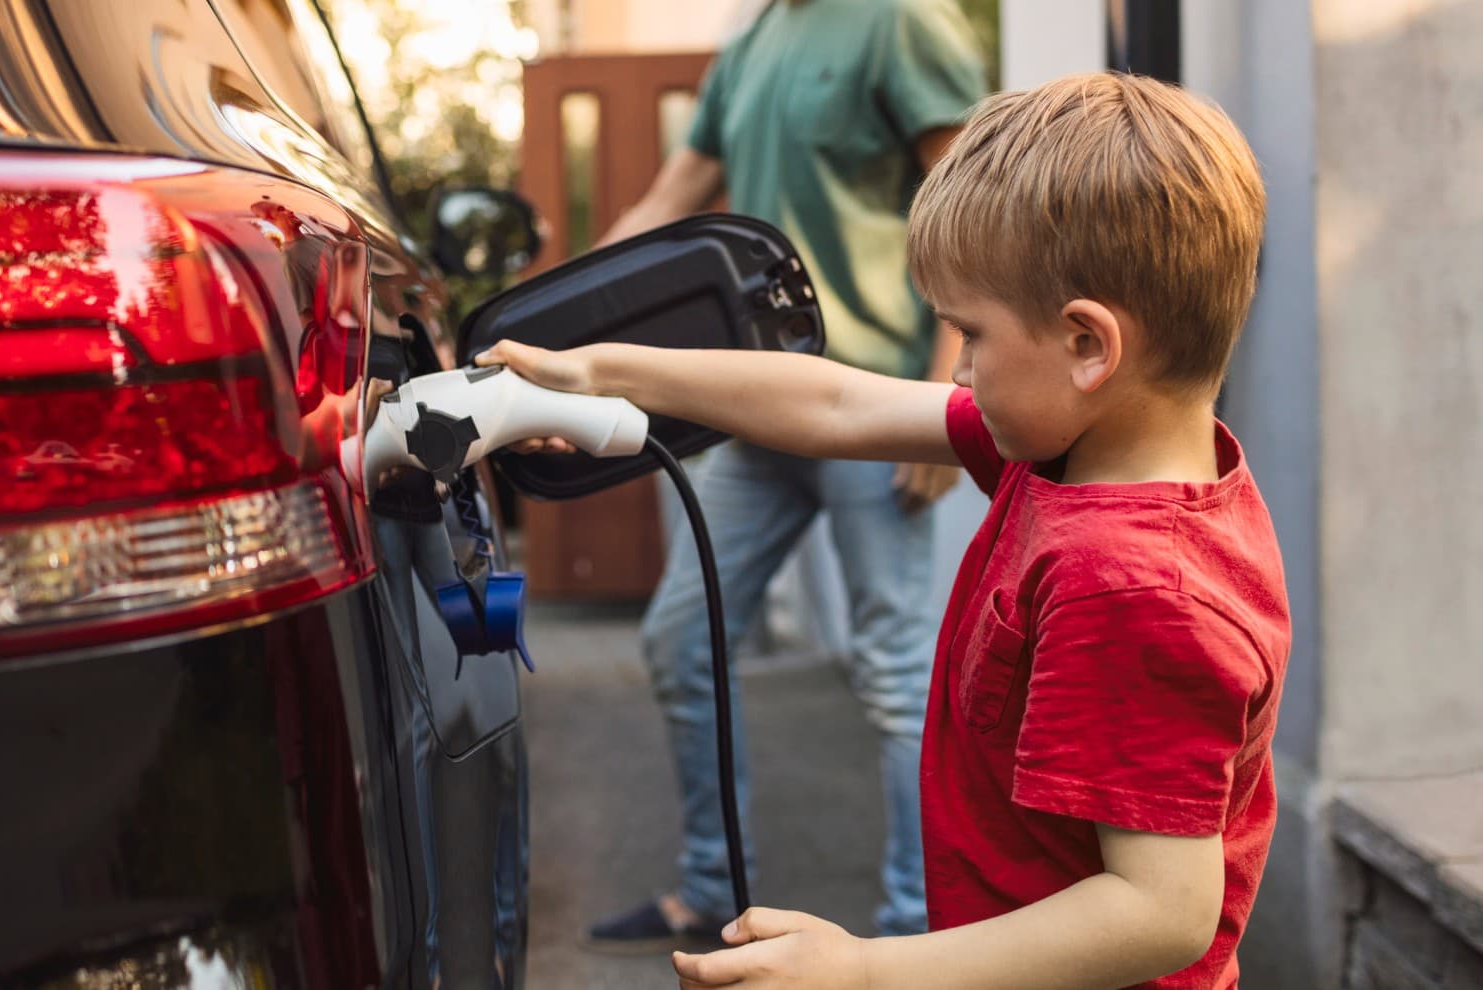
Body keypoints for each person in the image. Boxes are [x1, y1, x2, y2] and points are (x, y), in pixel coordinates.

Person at [484, 70, 1289, 989]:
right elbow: (837, 403)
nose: (961, 370)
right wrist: (603, 372)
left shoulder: (1134, 587)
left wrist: (867, 970)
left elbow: (1162, 911)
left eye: (971, 335)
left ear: (1087, 346)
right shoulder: (1080, 449)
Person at [581, 0, 989, 948]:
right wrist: (550, 319)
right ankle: (710, 889)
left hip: (876, 406)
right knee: (681, 640)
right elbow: (666, 202)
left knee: (894, 674)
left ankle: (915, 932)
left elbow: (972, 204)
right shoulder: (752, 42)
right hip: (763, 408)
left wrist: (948, 395)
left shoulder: (898, 21)